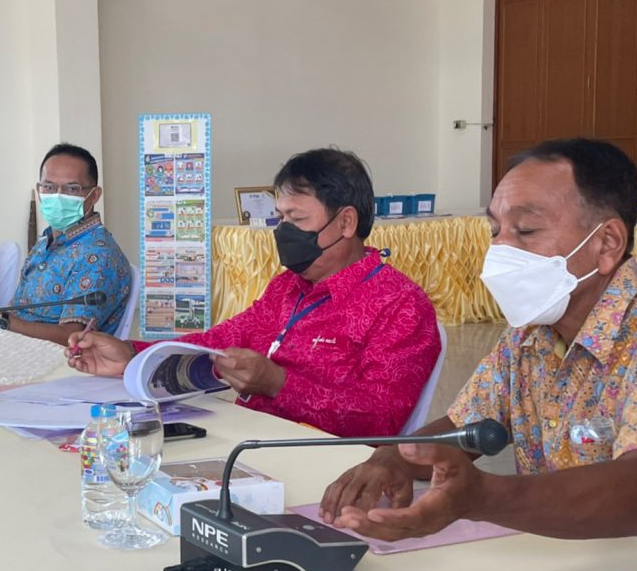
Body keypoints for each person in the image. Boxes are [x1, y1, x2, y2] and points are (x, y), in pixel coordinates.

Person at [320, 138, 637, 551]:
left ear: (607, 243)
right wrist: (392, 459)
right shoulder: (530, 331)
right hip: (563, 556)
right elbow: (465, 426)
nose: (501, 249)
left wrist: (482, 497)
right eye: (495, 230)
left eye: (525, 230)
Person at [67, 147, 441, 438]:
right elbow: (218, 341)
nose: (283, 231)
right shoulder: (288, 287)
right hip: (251, 440)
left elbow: (380, 419)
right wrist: (132, 354)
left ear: (345, 222)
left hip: (328, 464)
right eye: (281, 217)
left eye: (297, 218)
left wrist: (279, 385)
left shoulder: (400, 305)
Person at [0, 143, 131, 346]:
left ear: (94, 195)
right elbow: (20, 315)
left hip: (57, 363)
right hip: (14, 347)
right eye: (49, 187)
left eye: (72, 189)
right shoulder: (46, 243)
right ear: (39, 190)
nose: (57, 196)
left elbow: (72, 337)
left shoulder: (97, 255)